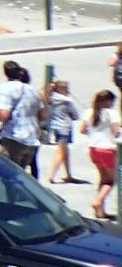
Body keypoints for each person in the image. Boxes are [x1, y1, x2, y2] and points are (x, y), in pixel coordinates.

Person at [0, 60, 42, 176]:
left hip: (14, 138)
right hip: (32, 138)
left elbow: (4, 114)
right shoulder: (31, 89)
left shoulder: (4, 88)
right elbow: (42, 115)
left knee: (8, 176)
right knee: (23, 176)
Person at [86, 90, 119, 222]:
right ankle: (98, 201)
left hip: (93, 148)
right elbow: (116, 132)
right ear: (110, 101)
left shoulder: (90, 112)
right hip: (107, 149)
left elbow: (82, 129)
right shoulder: (112, 113)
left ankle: (100, 211)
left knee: (103, 178)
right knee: (111, 181)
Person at [46, 79, 83, 184]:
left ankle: (68, 174)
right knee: (61, 153)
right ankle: (52, 175)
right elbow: (75, 115)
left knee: (65, 152)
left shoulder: (51, 99)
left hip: (55, 127)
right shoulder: (66, 102)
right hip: (65, 128)